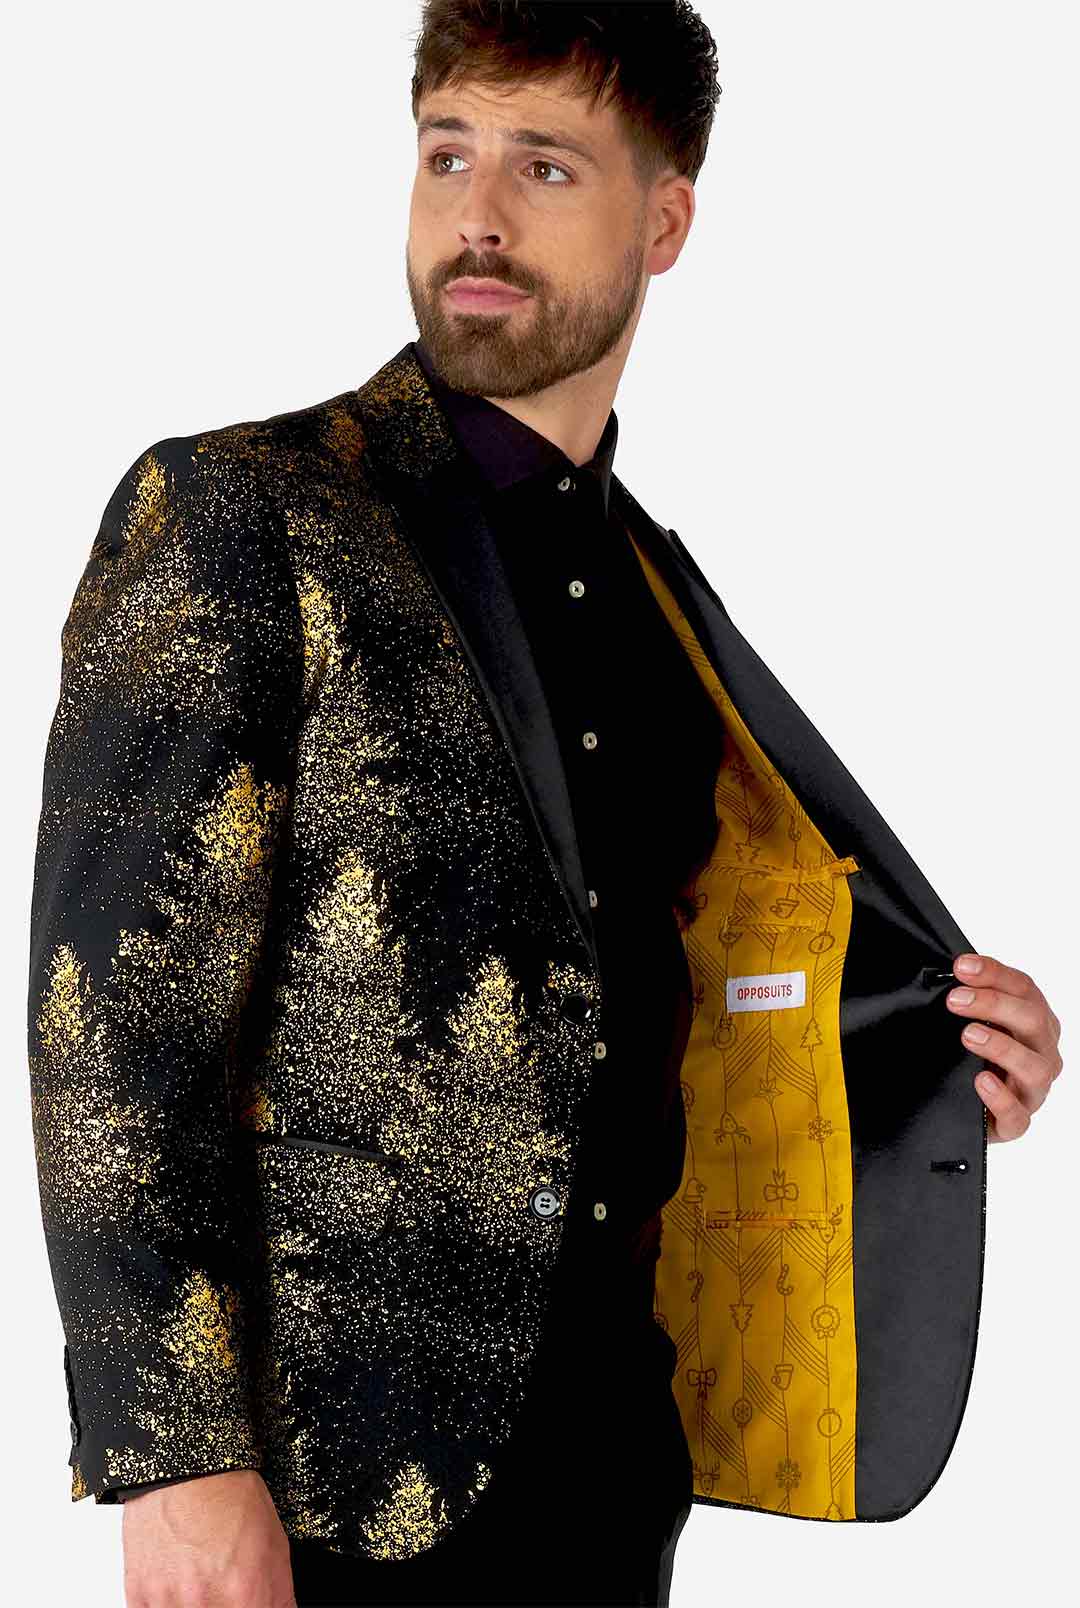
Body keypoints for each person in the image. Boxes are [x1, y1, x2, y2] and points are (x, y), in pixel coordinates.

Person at [28, 4, 1064, 1607]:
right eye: (447, 155)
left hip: (614, 1469)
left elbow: (669, 990)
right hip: (319, 1497)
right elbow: (113, 1023)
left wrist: (937, 1051)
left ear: (666, 220)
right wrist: (173, 1462)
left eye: (546, 166)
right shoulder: (244, 513)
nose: (479, 217)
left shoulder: (658, 597)